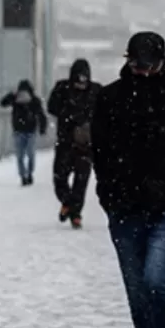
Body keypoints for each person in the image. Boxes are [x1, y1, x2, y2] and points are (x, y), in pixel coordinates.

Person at [93, 31, 165, 328]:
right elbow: (101, 151)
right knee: (137, 291)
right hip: (125, 208)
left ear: (162, 60)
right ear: (129, 60)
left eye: (150, 65)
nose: (144, 72)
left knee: (154, 280)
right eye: (137, 65)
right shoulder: (111, 98)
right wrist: (110, 196)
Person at [48, 59, 100, 228]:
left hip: (86, 144)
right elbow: (52, 107)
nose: (80, 86)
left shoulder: (96, 91)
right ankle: (68, 203)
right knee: (60, 177)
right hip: (65, 141)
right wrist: (72, 116)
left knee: (81, 180)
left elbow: (107, 112)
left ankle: (75, 213)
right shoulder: (62, 89)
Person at [0, 79, 47, 186]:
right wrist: (42, 128)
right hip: (28, 130)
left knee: (21, 155)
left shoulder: (24, 100)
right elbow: (41, 115)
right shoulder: (32, 100)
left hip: (20, 130)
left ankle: (24, 175)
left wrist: (11, 95)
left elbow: (3, 103)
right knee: (29, 154)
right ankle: (28, 174)